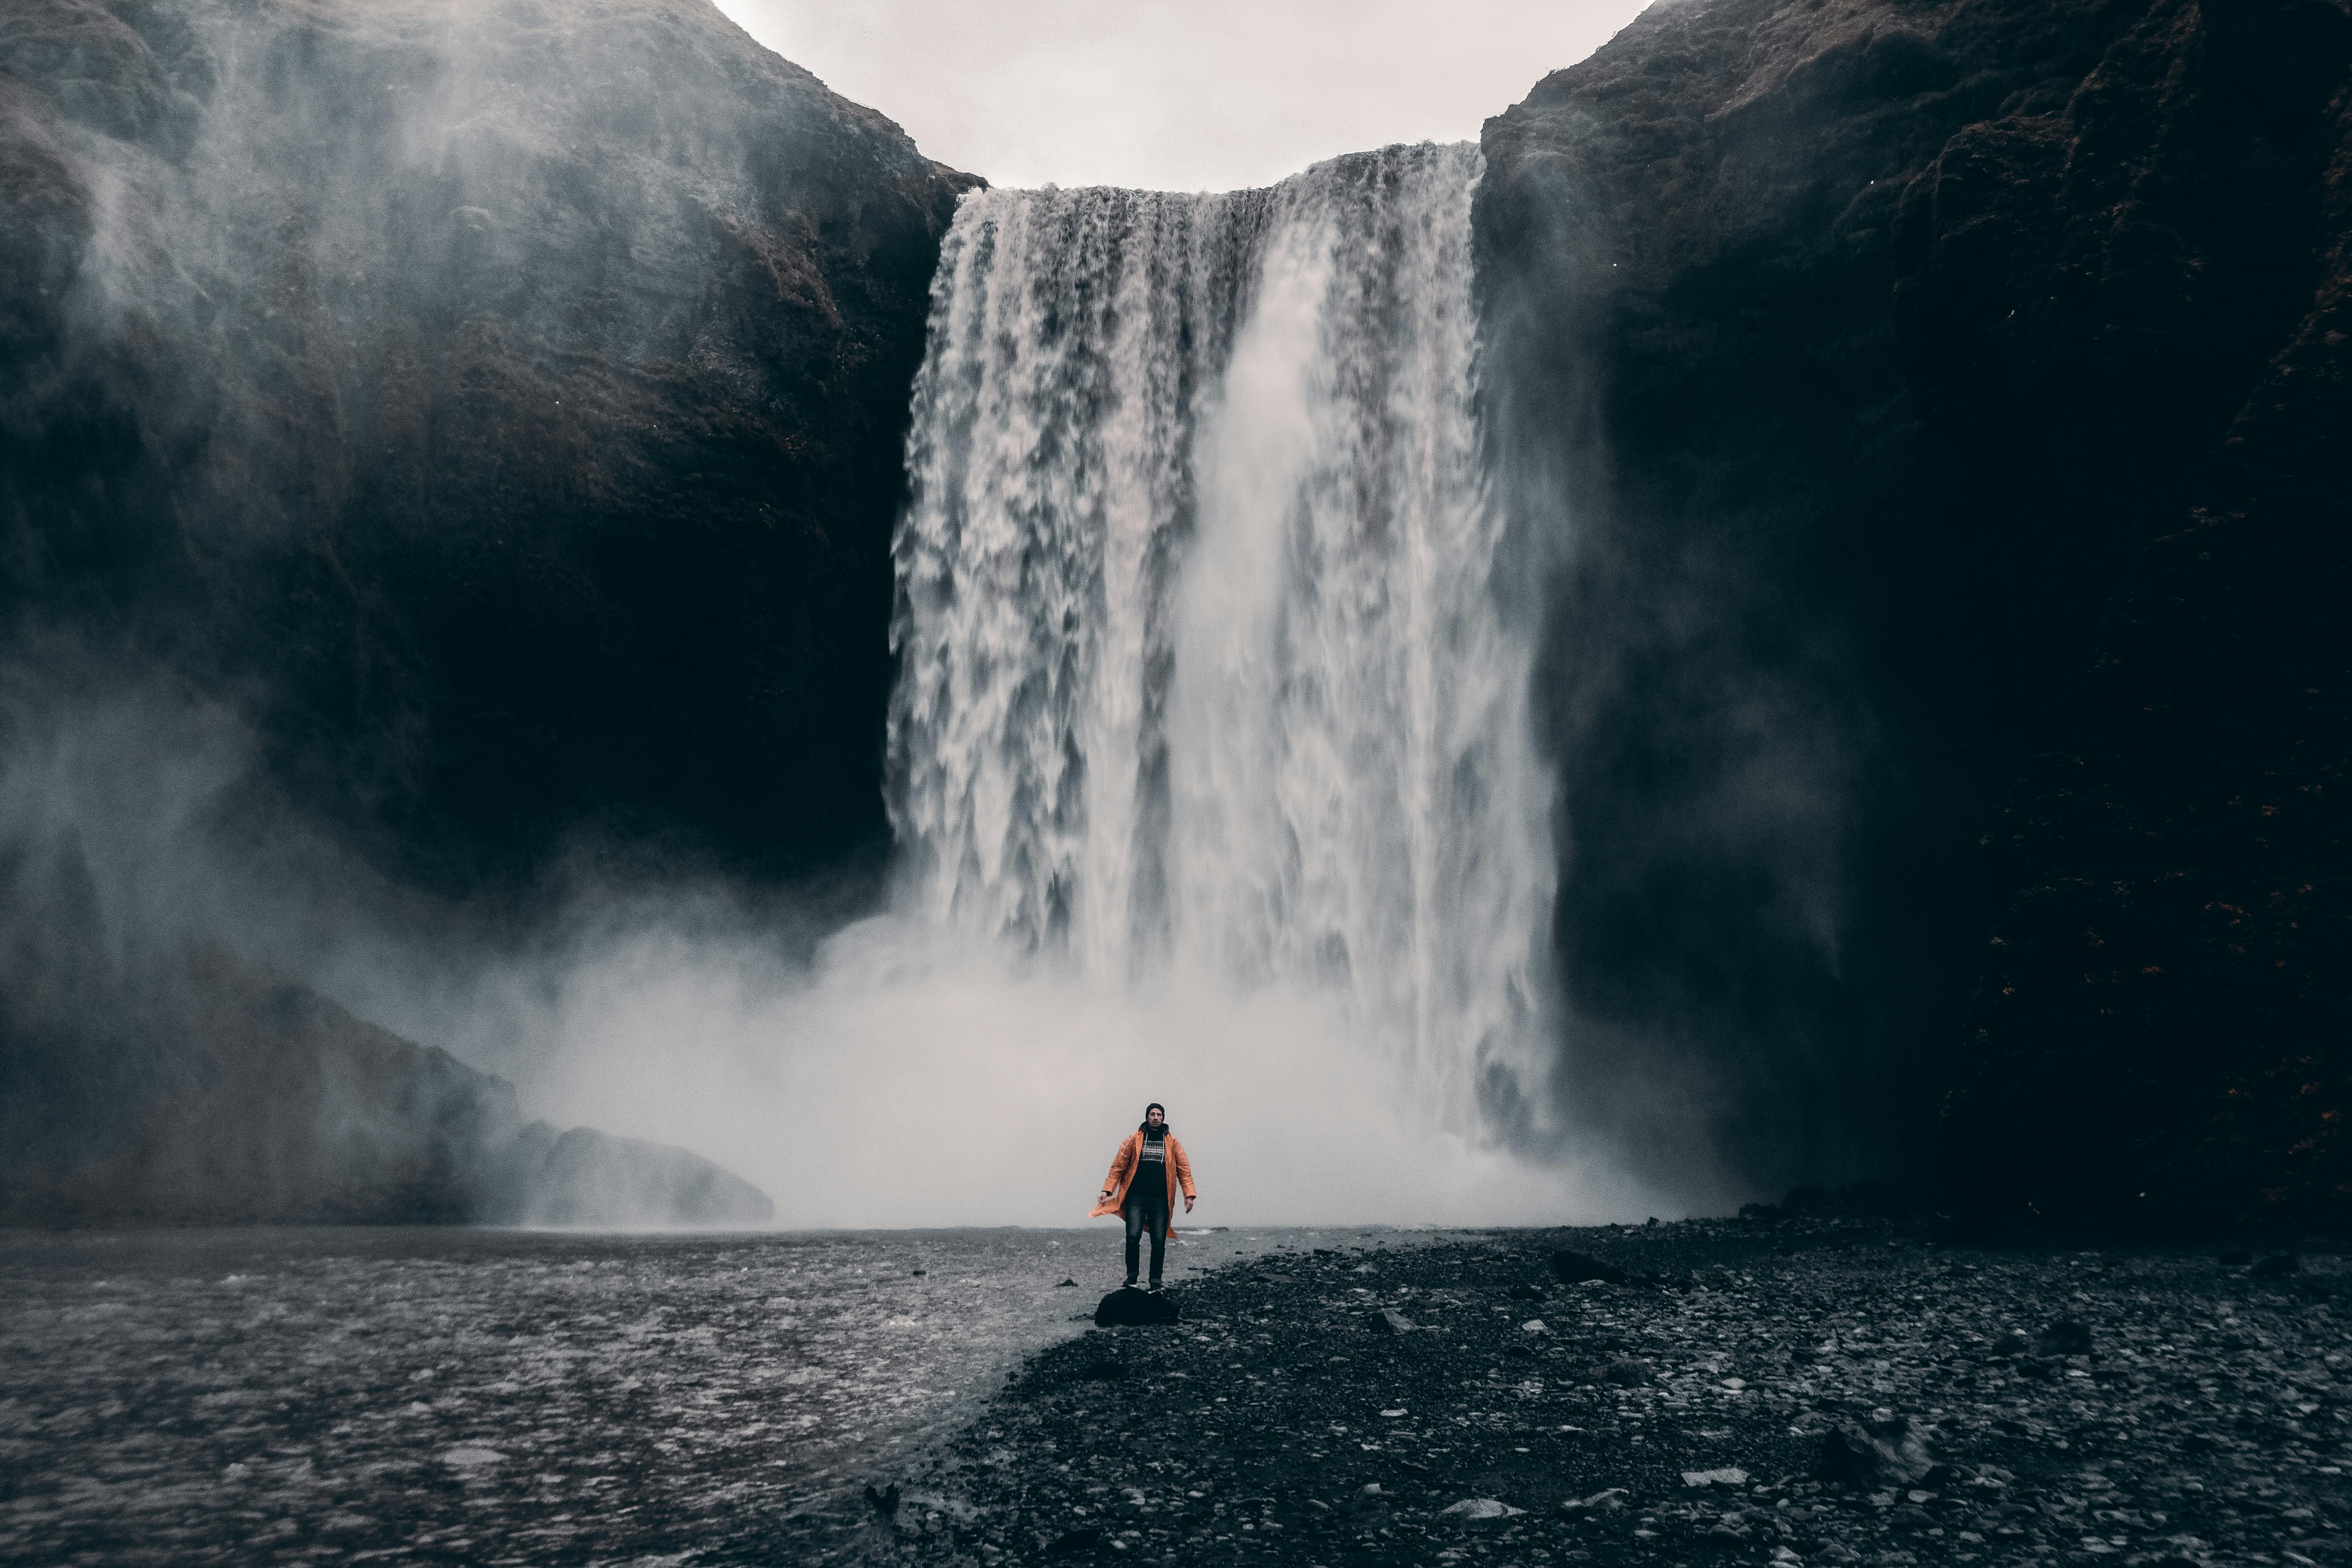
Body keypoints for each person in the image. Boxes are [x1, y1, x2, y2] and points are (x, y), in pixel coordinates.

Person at [1086, 1102, 1195, 1291]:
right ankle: (1132, 1279)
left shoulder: (1173, 1143)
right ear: (1147, 1117)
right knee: (1133, 1236)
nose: (1155, 1118)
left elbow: (1184, 1171)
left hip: (1161, 1200)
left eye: (1159, 1115)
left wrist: (1189, 1195)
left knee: (1159, 1240)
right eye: (1152, 1114)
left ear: (1163, 1118)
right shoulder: (1134, 1139)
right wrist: (1107, 1190)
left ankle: (1155, 1283)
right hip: (1136, 1197)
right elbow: (1118, 1166)